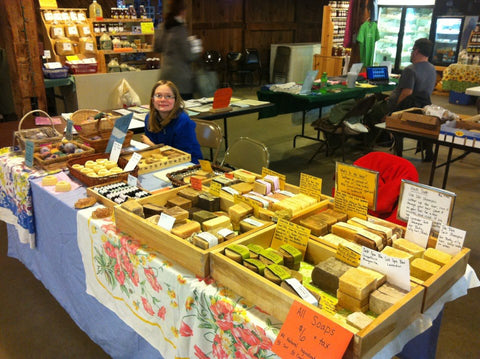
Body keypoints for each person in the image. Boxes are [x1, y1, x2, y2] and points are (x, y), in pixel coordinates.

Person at [365, 38, 437, 160]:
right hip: (422, 108)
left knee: (371, 111)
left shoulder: (410, 69)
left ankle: (367, 144)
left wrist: (393, 112)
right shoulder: (432, 68)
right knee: (380, 100)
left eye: (413, 49)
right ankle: (383, 139)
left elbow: (406, 93)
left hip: (404, 109)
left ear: (416, 51)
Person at [142, 80, 203, 164]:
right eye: (158, 96)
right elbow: (151, 152)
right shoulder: (149, 118)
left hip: (188, 163)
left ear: (175, 100)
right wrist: (154, 148)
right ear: (153, 100)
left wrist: (152, 145)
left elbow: (181, 156)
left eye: (168, 96)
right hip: (162, 162)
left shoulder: (183, 121)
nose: (163, 100)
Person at [153, 0, 200, 100]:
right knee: (183, 111)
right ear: (182, 11)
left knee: (165, 109)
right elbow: (189, 55)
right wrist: (196, 48)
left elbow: (156, 47)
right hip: (180, 80)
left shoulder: (162, 27)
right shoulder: (180, 30)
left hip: (165, 77)